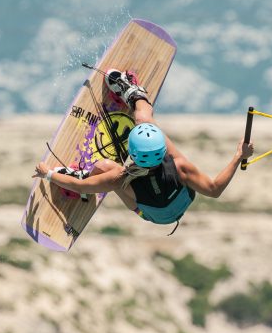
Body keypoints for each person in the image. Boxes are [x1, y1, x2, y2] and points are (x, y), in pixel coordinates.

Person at [33, 69, 254, 230]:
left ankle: (135, 95)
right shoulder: (179, 166)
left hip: (152, 215)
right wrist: (238, 157)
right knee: (144, 118)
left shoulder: (120, 177)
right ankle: (133, 92)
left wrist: (49, 174)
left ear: (133, 153)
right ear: (161, 148)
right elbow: (214, 190)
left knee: (103, 166)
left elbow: (83, 185)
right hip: (176, 204)